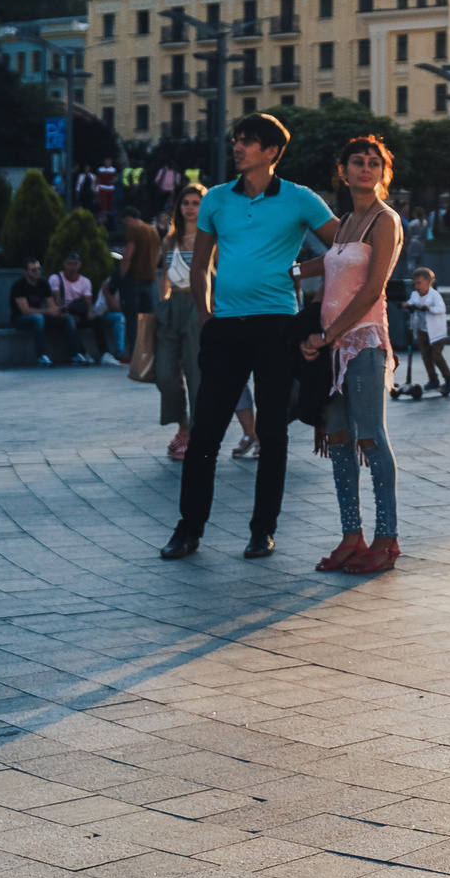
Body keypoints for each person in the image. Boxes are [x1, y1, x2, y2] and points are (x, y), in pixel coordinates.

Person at [159, 114, 341, 563]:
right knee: (205, 433)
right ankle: (188, 529)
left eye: (248, 142)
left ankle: (263, 530)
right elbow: (201, 266)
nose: (237, 147)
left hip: (276, 325)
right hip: (225, 328)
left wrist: (299, 271)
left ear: (272, 152)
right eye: (236, 139)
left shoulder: (299, 198)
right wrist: (207, 319)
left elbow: (343, 247)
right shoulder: (217, 199)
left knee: (272, 432)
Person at [308, 136, 406, 576]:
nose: (365, 169)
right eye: (357, 162)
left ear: (384, 173)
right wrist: (279, 266)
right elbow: (327, 265)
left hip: (362, 341)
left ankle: (386, 538)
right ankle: (352, 535)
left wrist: (329, 335)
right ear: (342, 170)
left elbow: (372, 288)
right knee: (340, 441)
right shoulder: (346, 221)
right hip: (331, 346)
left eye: (374, 163)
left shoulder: (385, 221)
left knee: (371, 438)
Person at [156, 185, 206, 458]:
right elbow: (164, 274)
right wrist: (162, 303)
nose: (190, 207)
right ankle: (182, 425)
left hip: (198, 306)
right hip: (172, 306)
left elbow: (217, 274)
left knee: (196, 374)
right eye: (186, 202)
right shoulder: (170, 239)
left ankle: (193, 435)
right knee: (164, 374)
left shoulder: (210, 238)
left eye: (196, 203)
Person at [9, 255, 73, 367]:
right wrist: (48, 311)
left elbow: (51, 305)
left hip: (40, 316)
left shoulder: (42, 284)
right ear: (25, 271)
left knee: (68, 318)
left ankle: (76, 354)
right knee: (38, 318)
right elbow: (25, 311)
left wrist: (57, 312)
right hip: (20, 319)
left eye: (39, 269)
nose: (37, 272)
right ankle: (41, 356)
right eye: (33, 270)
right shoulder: (19, 286)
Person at [120, 206, 161, 381]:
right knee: (148, 318)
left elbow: (128, 254)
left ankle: (132, 355)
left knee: (132, 318)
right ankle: (148, 354)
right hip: (150, 278)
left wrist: (122, 275)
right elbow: (159, 254)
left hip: (134, 278)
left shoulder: (134, 230)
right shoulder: (153, 231)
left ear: (128, 218)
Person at [406, 267, 450, 395]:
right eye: (415, 283)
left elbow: (441, 309)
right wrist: (407, 305)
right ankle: (433, 379)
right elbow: (411, 302)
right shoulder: (415, 294)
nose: (416, 286)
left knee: (436, 355)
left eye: (419, 283)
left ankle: (449, 378)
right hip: (422, 330)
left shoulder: (434, 295)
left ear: (428, 282)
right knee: (426, 356)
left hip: (436, 332)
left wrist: (428, 308)